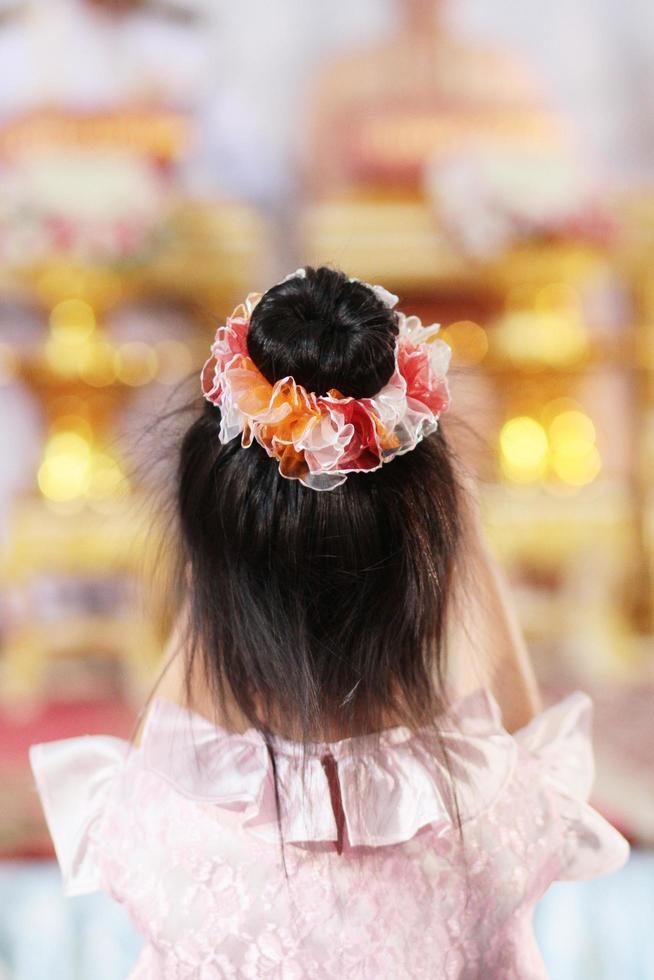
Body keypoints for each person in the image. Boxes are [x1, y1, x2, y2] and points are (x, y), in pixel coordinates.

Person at [30, 266, 629, 978]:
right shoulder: (498, 820)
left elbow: (161, 744)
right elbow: (528, 733)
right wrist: (458, 519)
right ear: (432, 560)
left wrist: (219, 559)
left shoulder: (159, 839)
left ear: (209, 573)